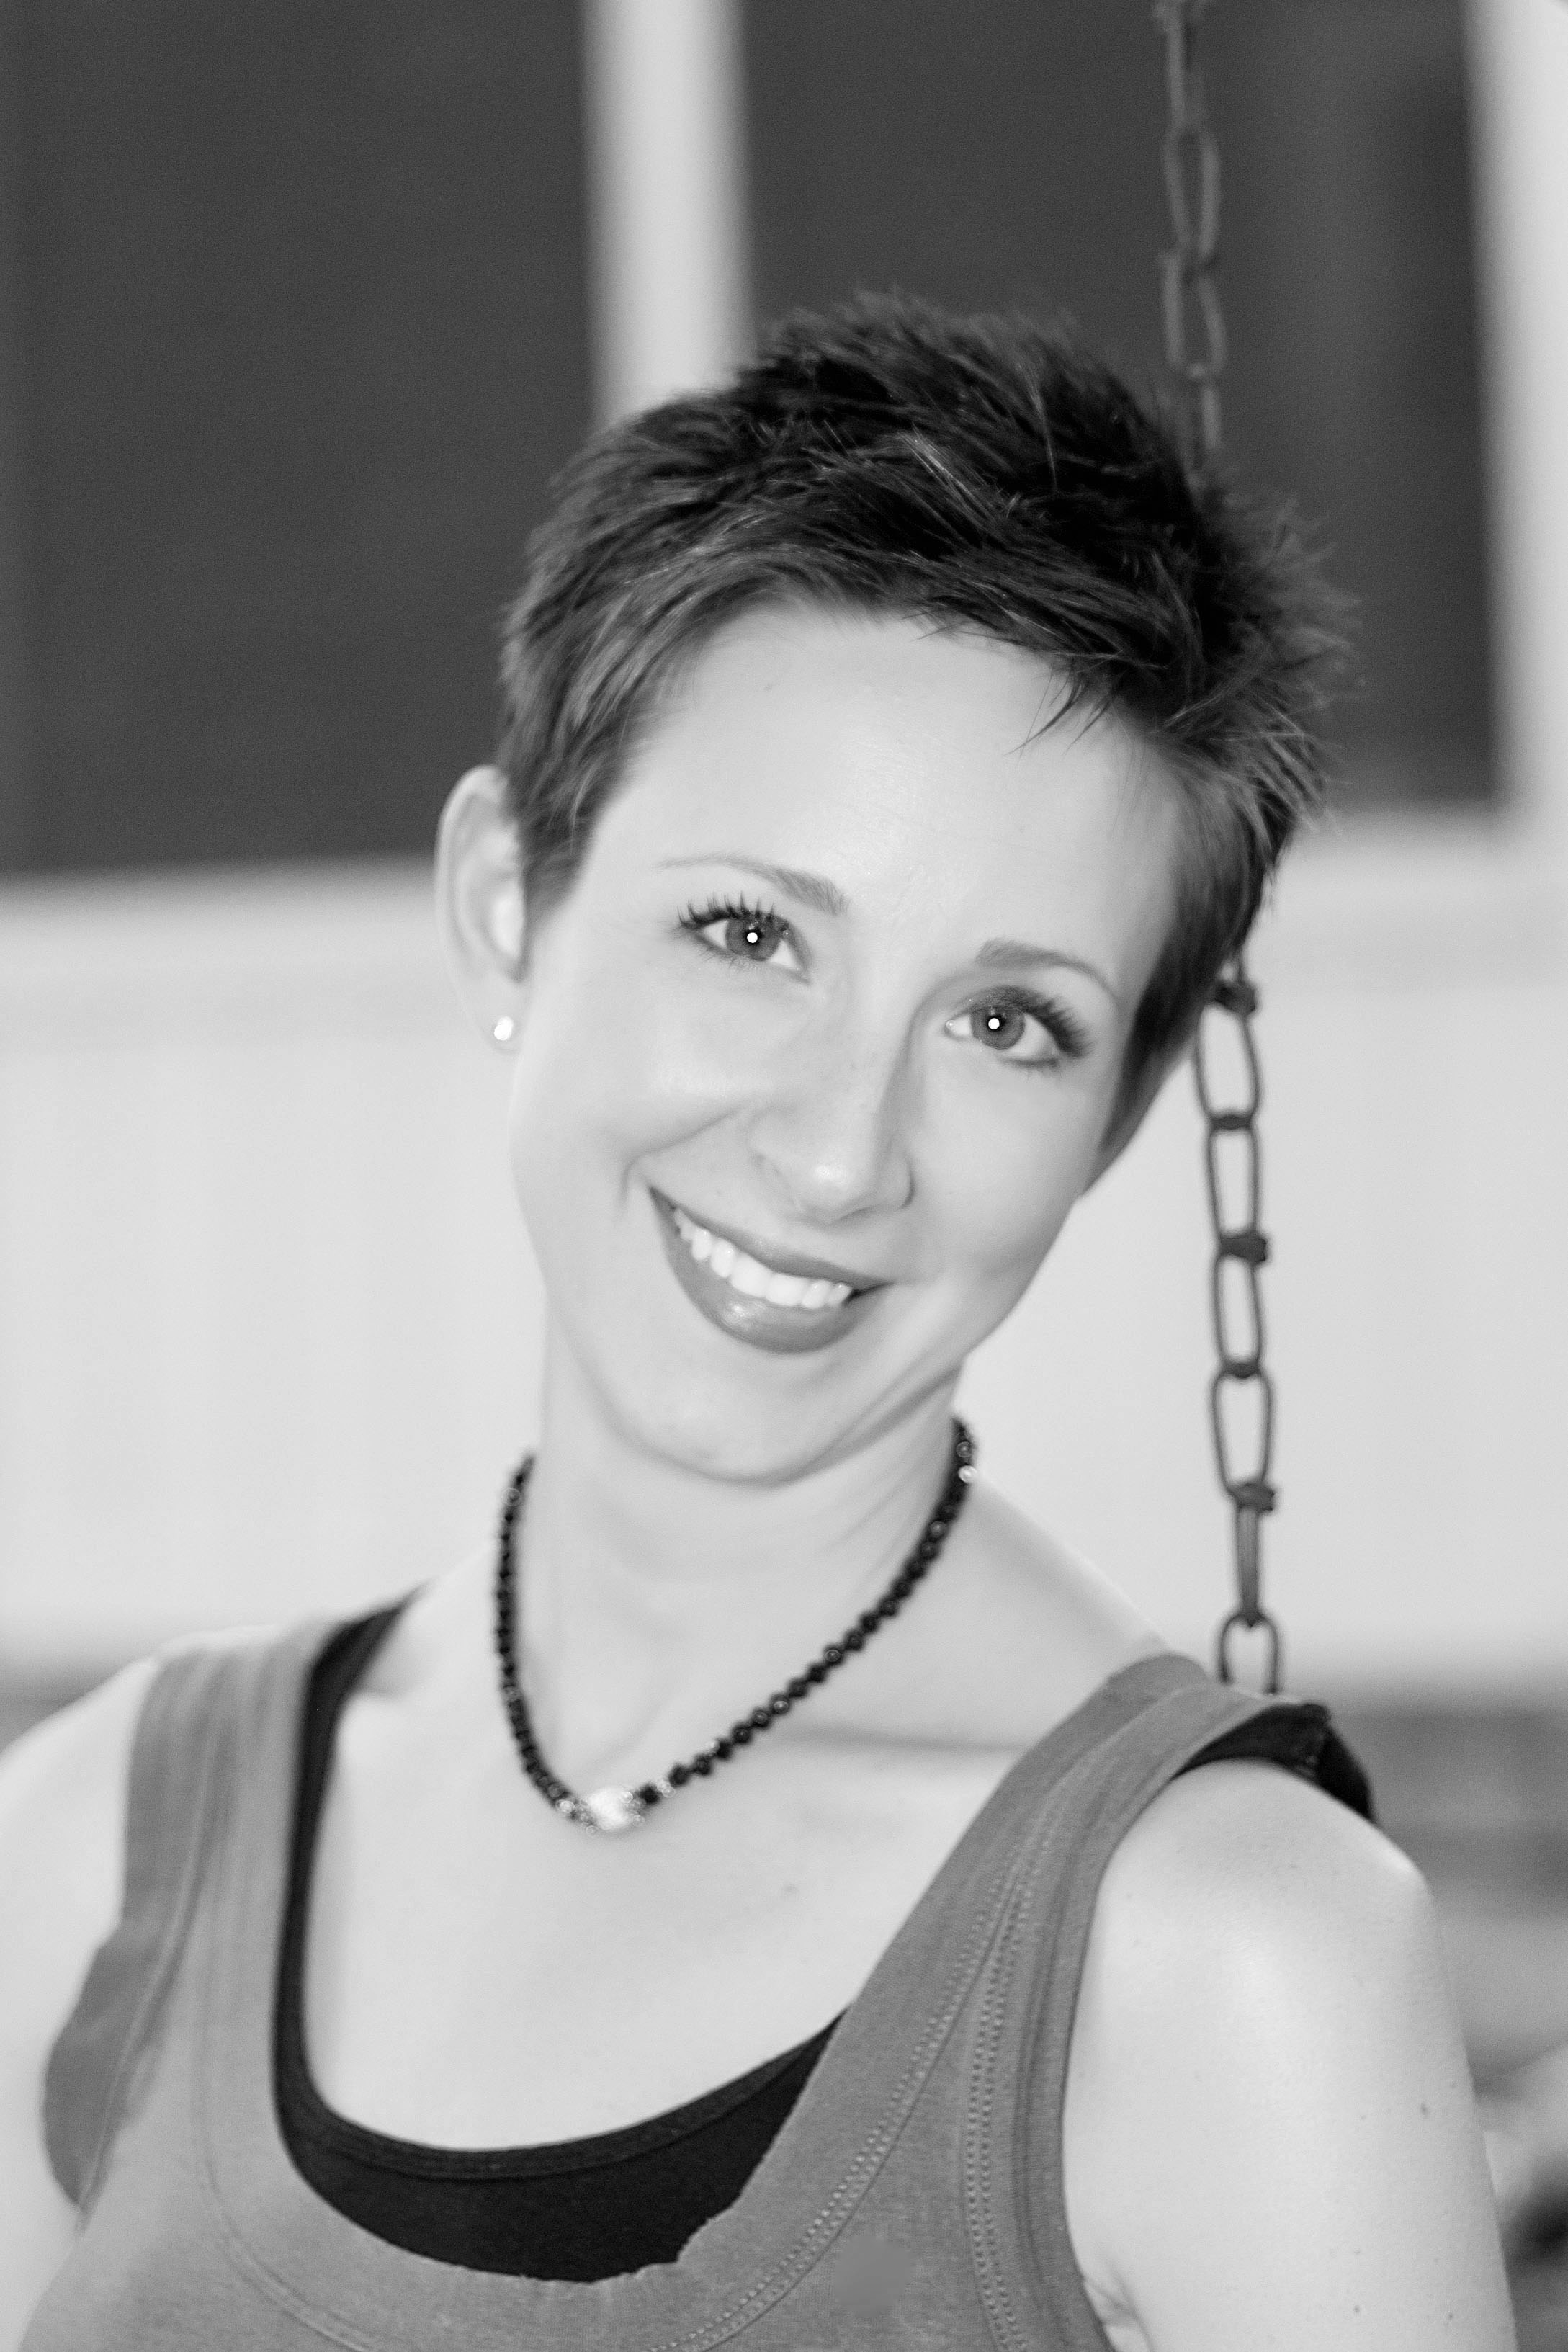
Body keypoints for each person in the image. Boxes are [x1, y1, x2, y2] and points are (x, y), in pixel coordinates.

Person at [0, 296, 1513, 2351]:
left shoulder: (1227, 1957)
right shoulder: (90, 1858)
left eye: (1006, 1022)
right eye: (748, 932)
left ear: (1118, 1113)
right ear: (505, 904)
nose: (834, 1152)